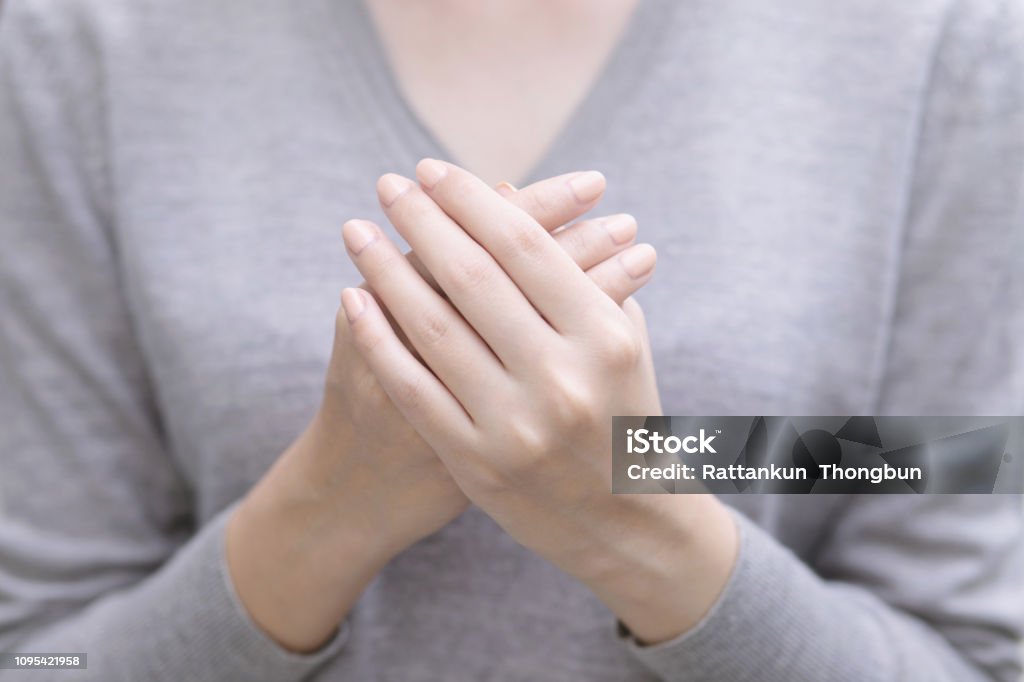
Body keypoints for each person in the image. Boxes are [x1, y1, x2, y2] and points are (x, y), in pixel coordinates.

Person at [0, 1, 1022, 680]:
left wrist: (638, 499)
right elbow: (37, 659)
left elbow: (975, 653)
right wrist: (328, 504)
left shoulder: (943, 47)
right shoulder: (76, 47)